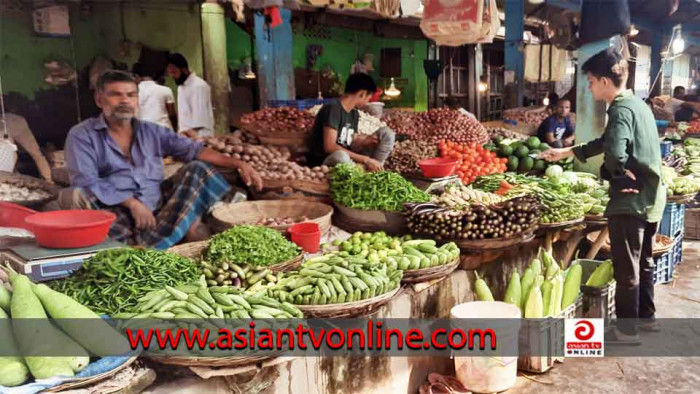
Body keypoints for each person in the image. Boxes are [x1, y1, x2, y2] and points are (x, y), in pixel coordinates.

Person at [540, 48, 666, 345]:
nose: (589, 87)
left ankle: (626, 331)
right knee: (643, 261)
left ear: (605, 81)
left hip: (631, 202)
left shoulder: (620, 109)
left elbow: (615, 152)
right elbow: (608, 141)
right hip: (651, 198)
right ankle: (645, 319)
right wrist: (568, 151)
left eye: (591, 81)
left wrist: (618, 174)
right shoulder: (637, 104)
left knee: (627, 268)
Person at [61, 70, 262, 249]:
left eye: (131, 95)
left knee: (198, 168)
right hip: (113, 211)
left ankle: (188, 228)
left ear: (136, 100)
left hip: (159, 208)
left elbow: (194, 150)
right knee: (75, 194)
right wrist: (133, 204)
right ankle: (118, 248)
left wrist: (239, 163)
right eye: (116, 94)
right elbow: (85, 181)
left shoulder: (152, 132)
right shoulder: (81, 135)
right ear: (99, 100)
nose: (124, 100)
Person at [307, 73, 395, 172]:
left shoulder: (354, 114)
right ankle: (361, 171)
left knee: (386, 133)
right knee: (341, 156)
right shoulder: (333, 109)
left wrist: (363, 141)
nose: (367, 102)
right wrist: (366, 160)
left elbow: (349, 142)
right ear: (362, 94)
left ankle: (375, 171)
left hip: (348, 158)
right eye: (368, 98)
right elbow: (330, 146)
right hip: (327, 160)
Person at [166, 53, 215, 137]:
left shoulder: (198, 86)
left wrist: (188, 137)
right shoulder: (181, 87)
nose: (172, 76)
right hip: (186, 137)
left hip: (200, 137)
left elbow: (199, 119)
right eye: (170, 73)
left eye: (174, 72)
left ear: (184, 70)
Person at [2, 113, 52, 182]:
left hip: (8, 128)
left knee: (10, 154)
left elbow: (12, 155)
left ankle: (47, 179)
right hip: (16, 123)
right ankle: (48, 179)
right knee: (37, 154)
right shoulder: (15, 118)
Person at [132, 63, 177, 130]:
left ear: (136, 76)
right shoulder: (166, 90)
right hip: (165, 129)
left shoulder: (133, 93)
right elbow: (172, 114)